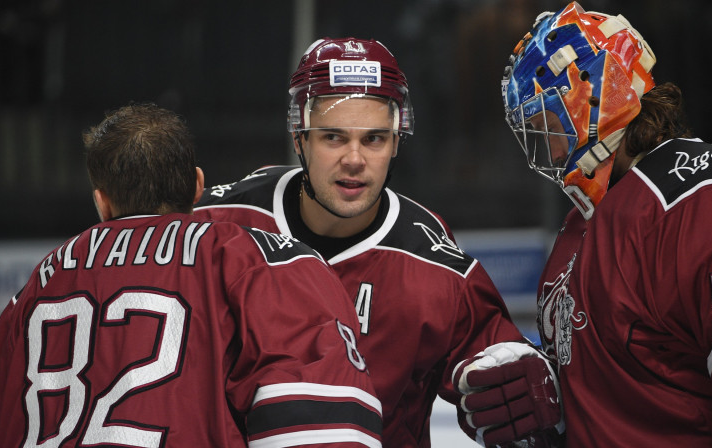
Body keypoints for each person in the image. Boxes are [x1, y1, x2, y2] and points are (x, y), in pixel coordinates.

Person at [194, 38, 562, 446]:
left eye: (374, 139)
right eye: (333, 137)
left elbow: (502, 365)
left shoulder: (434, 265)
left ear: (396, 141)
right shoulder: (222, 222)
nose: (354, 159)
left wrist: (517, 382)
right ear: (300, 138)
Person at [0, 103, 383, 448]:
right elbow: (325, 430)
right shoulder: (251, 258)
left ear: (102, 201)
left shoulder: (41, 280)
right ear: (197, 186)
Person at [496, 2, 712, 446]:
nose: (552, 154)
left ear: (599, 99)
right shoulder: (580, 227)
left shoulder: (697, 197)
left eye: (549, 126)